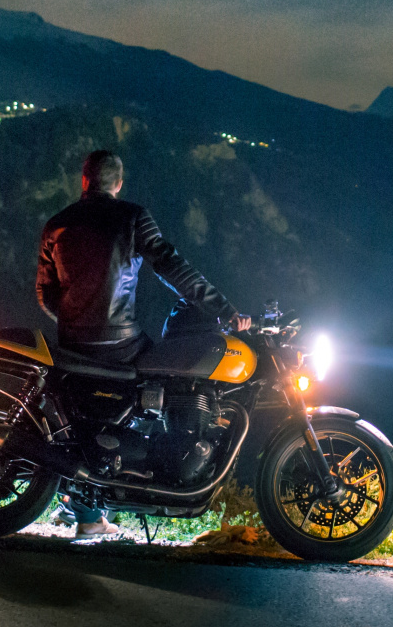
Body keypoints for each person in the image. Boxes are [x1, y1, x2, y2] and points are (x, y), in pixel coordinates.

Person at [36, 149, 249, 535]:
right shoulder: (132, 217)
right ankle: (151, 477)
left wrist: (74, 323)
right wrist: (224, 310)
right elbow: (173, 268)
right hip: (120, 342)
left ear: (84, 181)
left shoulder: (57, 224)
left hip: (71, 344)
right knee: (170, 386)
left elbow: (45, 294)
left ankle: (81, 506)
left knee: (90, 413)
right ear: (118, 184)